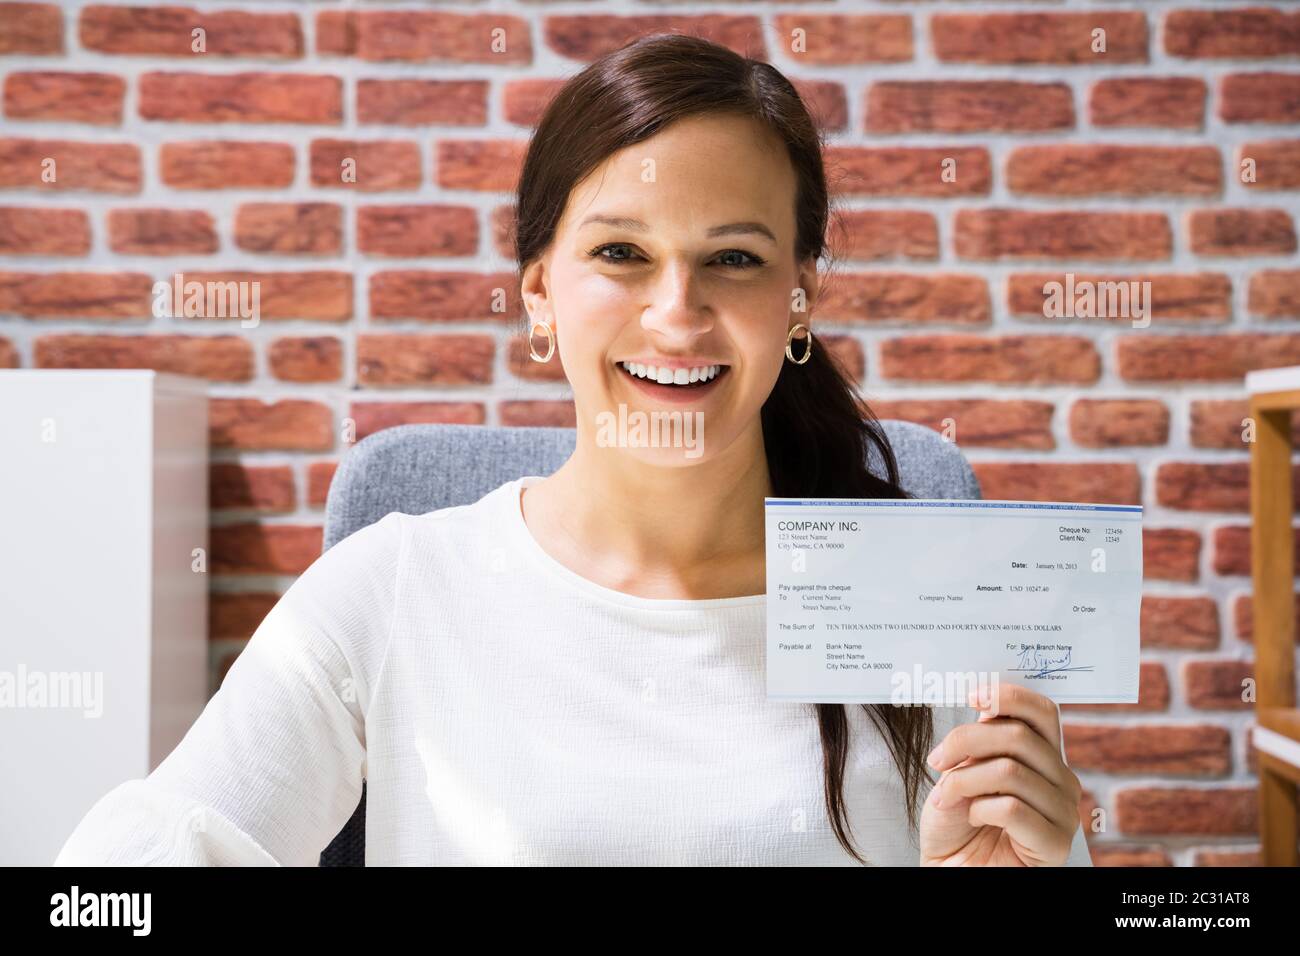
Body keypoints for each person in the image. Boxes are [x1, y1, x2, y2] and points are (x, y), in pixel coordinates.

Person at [55, 33, 1092, 867]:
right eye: (620, 254)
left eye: (732, 258)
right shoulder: (393, 587)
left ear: (798, 299)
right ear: (540, 292)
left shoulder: (927, 599)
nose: (675, 313)